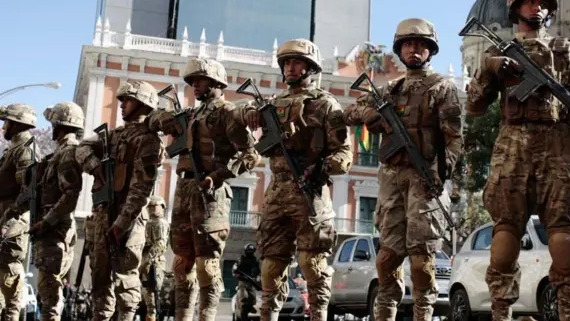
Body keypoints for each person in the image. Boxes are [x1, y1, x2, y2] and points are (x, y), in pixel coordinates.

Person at [465, 0, 570, 321]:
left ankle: (568, 311)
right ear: (516, 7)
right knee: (506, 232)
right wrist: (489, 70)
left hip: (557, 144)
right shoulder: (498, 53)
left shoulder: (563, 50)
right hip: (513, 146)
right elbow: (475, 107)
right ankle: (500, 311)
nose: (536, 7)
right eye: (529, 1)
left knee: (563, 234)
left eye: (541, 2)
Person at [343, 18, 462, 321]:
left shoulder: (441, 87)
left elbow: (453, 138)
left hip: (424, 180)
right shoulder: (387, 90)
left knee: (422, 262)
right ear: (399, 49)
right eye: (408, 44)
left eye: (420, 44)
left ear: (430, 49)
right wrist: (369, 112)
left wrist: (440, 171)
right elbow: (350, 112)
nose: (414, 49)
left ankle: (423, 314)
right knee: (386, 259)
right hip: (391, 180)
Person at [234, 38, 353, 321]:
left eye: (296, 62)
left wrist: (322, 167)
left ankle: (319, 315)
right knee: (270, 268)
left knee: (312, 265)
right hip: (277, 194)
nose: (290, 67)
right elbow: (235, 112)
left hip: (310, 192)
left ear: (310, 67)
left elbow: (344, 154)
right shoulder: (272, 105)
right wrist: (247, 112)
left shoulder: (325, 104)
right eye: (286, 62)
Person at [148, 58, 260, 321]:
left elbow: (251, 155)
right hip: (184, 190)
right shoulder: (192, 114)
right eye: (191, 82)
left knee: (206, 266)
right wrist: (162, 116)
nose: (194, 86)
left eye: (200, 80)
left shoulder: (226, 112)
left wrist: (218, 175)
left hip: (210, 195)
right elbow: (155, 120)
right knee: (181, 264)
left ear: (216, 83)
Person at [79, 80, 164, 321]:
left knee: (126, 284)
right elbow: (82, 148)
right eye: (121, 99)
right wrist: (93, 164)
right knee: (99, 280)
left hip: (128, 220)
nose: (122, 105)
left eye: (128, 100)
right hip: (104, 214)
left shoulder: (147, 140)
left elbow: (141, 188)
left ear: (143, 103)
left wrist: (122, 222)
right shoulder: (113, 136)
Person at [19, 102, 93, 321]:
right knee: (46, 293)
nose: (51, 127)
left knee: (50, 296)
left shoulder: (68, 152)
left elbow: (70, 195)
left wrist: (46, 222)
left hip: (55, 232)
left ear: (60, 125)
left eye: (53, 123)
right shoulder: (58, 153)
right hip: (51, 231)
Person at [0, 103, 41, 321]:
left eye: (6, 122)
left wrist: (8, 220)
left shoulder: (25, 150)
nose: (3, 126)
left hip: (13, 222)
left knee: (9, 278)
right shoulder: (13, 150)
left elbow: (28, 191)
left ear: (16, 124)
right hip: (4, 217)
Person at [140, 195, 170, 321]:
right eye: (150, 206)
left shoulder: (161, 223)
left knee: (152, 296)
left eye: (155, 206)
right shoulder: (148, 222)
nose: (152, 208)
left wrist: (148, 261)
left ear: (162, 207)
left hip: (154, 263)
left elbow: (160, 244)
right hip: (145, 260)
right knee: (146, 295)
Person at [233, 244, 261, 320]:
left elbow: (258, 271)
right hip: (243, 282)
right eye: (248, 251)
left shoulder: (255, 261)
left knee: (253, 300)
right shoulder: (240, 259)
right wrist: (238, 275)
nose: (250, 252)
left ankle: (249, 308)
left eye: (251, 251)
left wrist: (257, 277)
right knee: (244, 300)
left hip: (252, 282)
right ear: (245, 251)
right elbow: (234, 270)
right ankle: (244, 315)